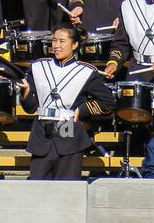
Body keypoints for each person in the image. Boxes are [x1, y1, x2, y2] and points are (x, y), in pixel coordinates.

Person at [19, 24, 115, 179]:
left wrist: (81, 110)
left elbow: (108, 102)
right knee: (37, 187)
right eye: (54, 40)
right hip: (42, 128)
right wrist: (26, 92)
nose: (56, 45)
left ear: (75, 44)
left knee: (66, 185)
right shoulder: (38, 67)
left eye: (62, 41)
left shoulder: (86, 72)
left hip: (67, 126)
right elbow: (29, 108)